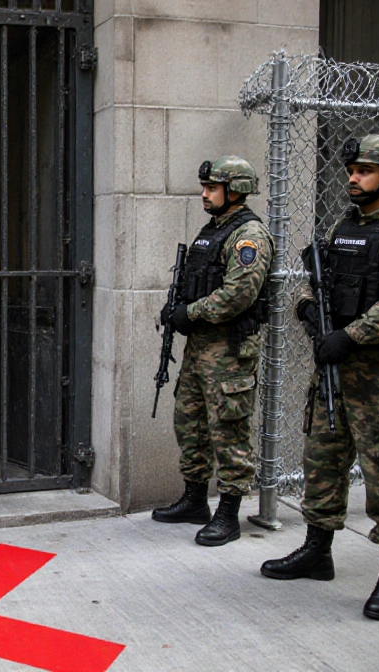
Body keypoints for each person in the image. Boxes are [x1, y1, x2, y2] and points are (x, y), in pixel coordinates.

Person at [260, 134, 379, 621]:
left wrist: (352, 336)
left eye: (364, 170)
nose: (352, 177)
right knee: (322, 459)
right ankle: (317, 551)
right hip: (335, 373)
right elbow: (317, 279)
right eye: (351, 169)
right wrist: (306, 308)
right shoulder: (347, 225)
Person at [153, 155, 273, 547]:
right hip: (201, 349)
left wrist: (191, 312)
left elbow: (239, 294)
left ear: (235, 191)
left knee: (229, 429)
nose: (204, 194)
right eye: (204, 187)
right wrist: (175, 310)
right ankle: (194, 499)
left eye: (212, 188)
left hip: (230, 352)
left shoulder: (249, 235)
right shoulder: (213, 230)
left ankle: (229, 512)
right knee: (189, 422)